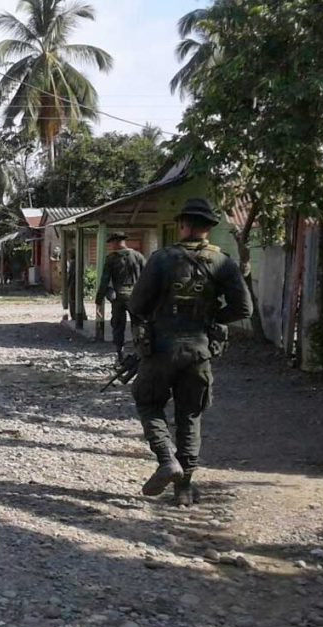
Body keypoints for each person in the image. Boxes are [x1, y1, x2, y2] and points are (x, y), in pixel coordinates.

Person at [128, 199, 252, 505]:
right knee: (190, 415)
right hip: (199, 350)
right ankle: (184, 489)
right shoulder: (222, 261)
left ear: (183, 225)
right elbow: (243, 308)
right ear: (209, 228)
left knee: (147, 402)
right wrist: (210, 317)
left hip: (160, 350)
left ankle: (166, 458)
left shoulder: (162, 259)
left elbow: (137, 305)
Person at [95, 233, 147, 361]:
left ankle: (120, 355)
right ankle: (140, 354)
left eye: (111, 243)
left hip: (119, 297)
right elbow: (147, 276)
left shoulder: (111, 258)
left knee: (118, 326)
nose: (111, 246)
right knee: (138, 324)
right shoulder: (138, 256)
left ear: (116, 242)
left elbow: (104, 281)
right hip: (136, 296)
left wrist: (98, 300)